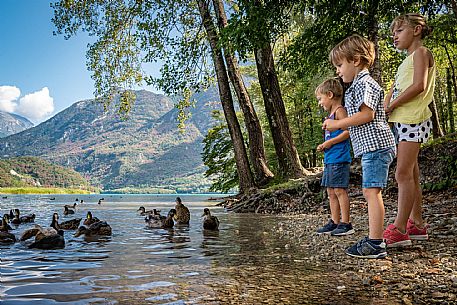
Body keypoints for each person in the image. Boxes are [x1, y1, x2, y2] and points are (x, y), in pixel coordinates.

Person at [324, 34, 396, 258]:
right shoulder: (355, 86)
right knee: (370, 190)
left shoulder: (365, 83)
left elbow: (367, 115)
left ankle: (375, 242)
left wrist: (338, 123)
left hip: (377, 145)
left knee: (371, 191)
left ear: (355, 60)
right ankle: (375, 239)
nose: (338, 71)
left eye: (339, 65)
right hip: (370, 148)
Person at [383, 13, 435, 247]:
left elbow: (419, 85)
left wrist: (393, 104)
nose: (394, 36)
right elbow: (398, 88)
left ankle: (400, 229)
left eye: (399, 30)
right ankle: (417, 224)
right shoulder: (406, 60)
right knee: (411, 174)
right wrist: (387, 104)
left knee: (401, 174)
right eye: (393, 32)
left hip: (413, 120)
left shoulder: (421, 53)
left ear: (416, 30)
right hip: (403, 121)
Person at [315, 78, 354, 236]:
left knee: (339, 190)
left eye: (320, 99)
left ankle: (346, 223)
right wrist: (324, 145)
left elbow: (348, 131)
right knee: (331, 191)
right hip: (330, 159)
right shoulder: (330, 115)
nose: (320, 103)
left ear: (330, 95)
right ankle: (334, 220)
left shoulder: (340, 111)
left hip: (339, 158)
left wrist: (330, 142)